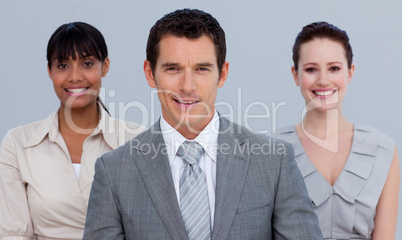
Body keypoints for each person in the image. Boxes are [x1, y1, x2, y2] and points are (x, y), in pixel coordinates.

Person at [83, 9, 323, 240]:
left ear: (223, 73)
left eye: (202, 69)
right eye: (173, 68)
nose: (187, 86)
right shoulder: (114, 173)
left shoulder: (274, 162)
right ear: (149, 73)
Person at [0, 22, 144, 240]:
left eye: (87, 63)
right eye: (63, 65)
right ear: (49, 70)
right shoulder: (18, 143)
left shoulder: (136, 140)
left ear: (105, 66)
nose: (75, 76)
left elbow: (144, 228)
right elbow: (13, 234)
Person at [273, 22, 400, 239]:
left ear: (350, 72)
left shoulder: (383, 150)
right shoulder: (271, 151)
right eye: (311, 69)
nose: (323, 80)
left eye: (334, 68)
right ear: (295, 75)